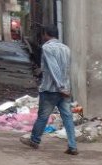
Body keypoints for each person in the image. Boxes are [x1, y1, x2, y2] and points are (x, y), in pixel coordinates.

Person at [21, 25, 78, 155]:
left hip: (50, 89)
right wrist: (65, 87)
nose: (42, 37)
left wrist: (60, 87)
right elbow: (65, 69)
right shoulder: (66, 48)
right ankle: (72, 146)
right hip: (65, 89)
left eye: (43, 34)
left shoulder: (47, 48)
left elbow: (54, 68)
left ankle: (34, 140)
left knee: (43, 116)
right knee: (68, 117)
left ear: (46, 34)